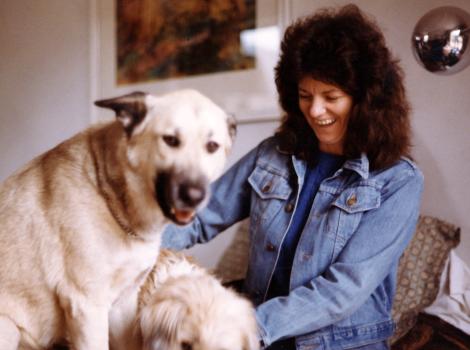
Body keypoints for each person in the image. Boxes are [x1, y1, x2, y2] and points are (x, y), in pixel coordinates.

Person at [162, 4, 423, 350]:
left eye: (331, 97)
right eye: (305, 95)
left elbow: (341, 290)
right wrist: (130, 249)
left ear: (365, 101)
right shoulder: (273, 154)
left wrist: (245, 329)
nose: (315, 110)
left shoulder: (398, 181)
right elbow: (198, 219)